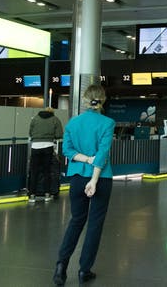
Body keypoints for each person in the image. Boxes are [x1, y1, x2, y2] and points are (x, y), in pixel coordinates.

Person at [53, 85, 115, 286]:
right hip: (101, 179)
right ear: (102, 100)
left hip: (77, 178)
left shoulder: (73, 123)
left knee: (76, 220)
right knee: (94, 224)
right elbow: (103, 153)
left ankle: (61, 265)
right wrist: (94, 180)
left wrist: (86, 160)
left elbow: (67, 150)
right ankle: (84, 270)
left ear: (85, 101)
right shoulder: (107, 123)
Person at [28, 107, 63, 203]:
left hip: (35, 146)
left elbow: (30, 132)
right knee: (47, 170)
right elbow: (59, 134)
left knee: (34, 171)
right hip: (48, 146)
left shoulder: (35, 118)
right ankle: (47, 194)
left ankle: (32, 195)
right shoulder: (55, 119)